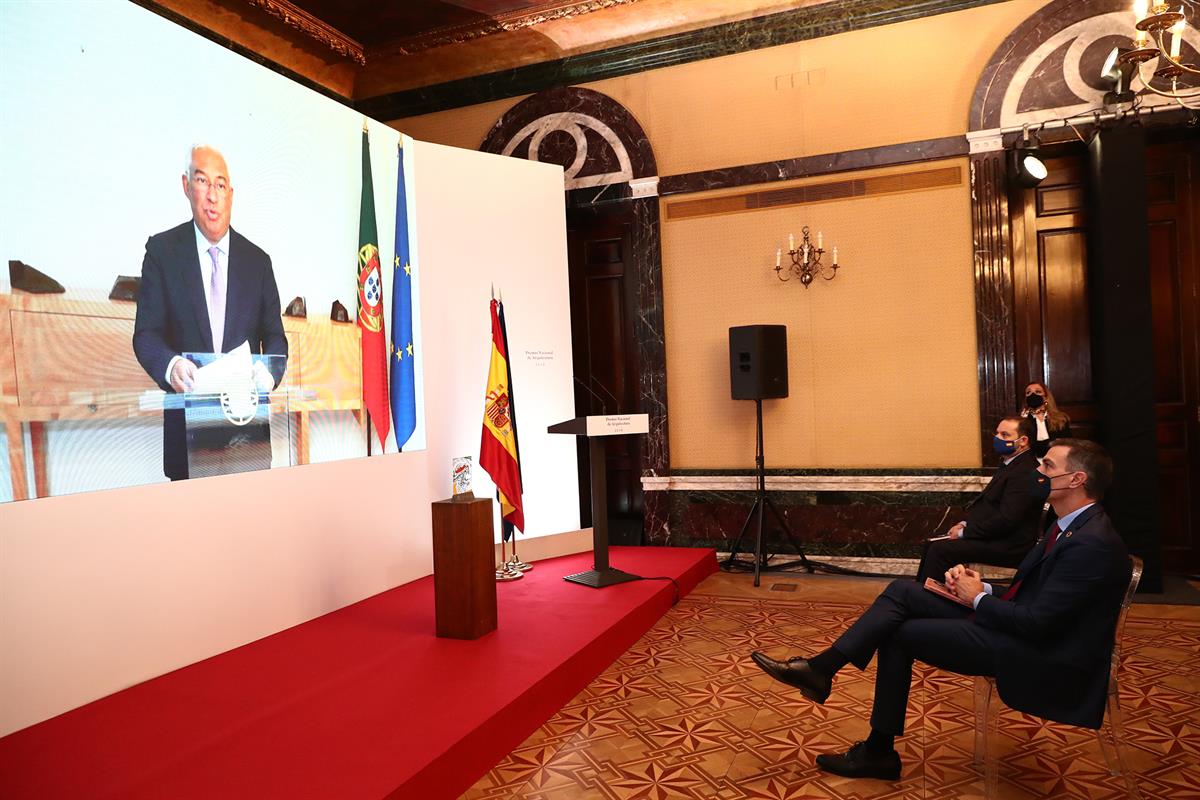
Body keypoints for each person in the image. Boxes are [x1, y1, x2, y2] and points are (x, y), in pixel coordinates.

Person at [750, 439, 1130, 780]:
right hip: (1020, 627)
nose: (1038, 472)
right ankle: (821, 670)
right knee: (903, 591)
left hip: (1040, 653)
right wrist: (979, 586)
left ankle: (875, 747)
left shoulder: (1091, 542)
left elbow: (1040, 623)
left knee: (898, 634)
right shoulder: (1067, 526)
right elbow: (1032, 594)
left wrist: (977, 599)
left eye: (1047, 466)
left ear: (1077, 479)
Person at [133, 144, 288, 481]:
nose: (212, 196)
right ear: (186, 186)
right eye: (203, 182)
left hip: (247, 432)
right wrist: (171, 366)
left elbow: (275, 336)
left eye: (220, 185)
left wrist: (269, 374)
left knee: (249, 531)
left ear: (231, 193)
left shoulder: (258, 262)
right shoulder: (162, 252)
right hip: (188, 435)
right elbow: (146, 334)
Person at [914, 415, 1043, 582]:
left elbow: (1007, 520)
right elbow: (989, 506)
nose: (997, 438)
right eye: (997, 433)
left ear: (1023, 441)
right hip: (996, 537)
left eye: (1005, 435)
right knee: (932, 544)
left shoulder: (1024, 471)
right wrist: (964, 524)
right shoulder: (1010, 463)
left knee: (940, 550)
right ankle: (921, 595)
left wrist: (963, 533)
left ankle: (928, 602)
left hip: (1009, 545)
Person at [1021, 381, 1072, 459]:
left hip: (1056, 461)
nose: (1033, 395)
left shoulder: (1060, 419)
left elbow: (1066, 444)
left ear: (1046, 397)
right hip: (1031, 462)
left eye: (1038, 392)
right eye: (1028, 392)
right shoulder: (1022, 421)